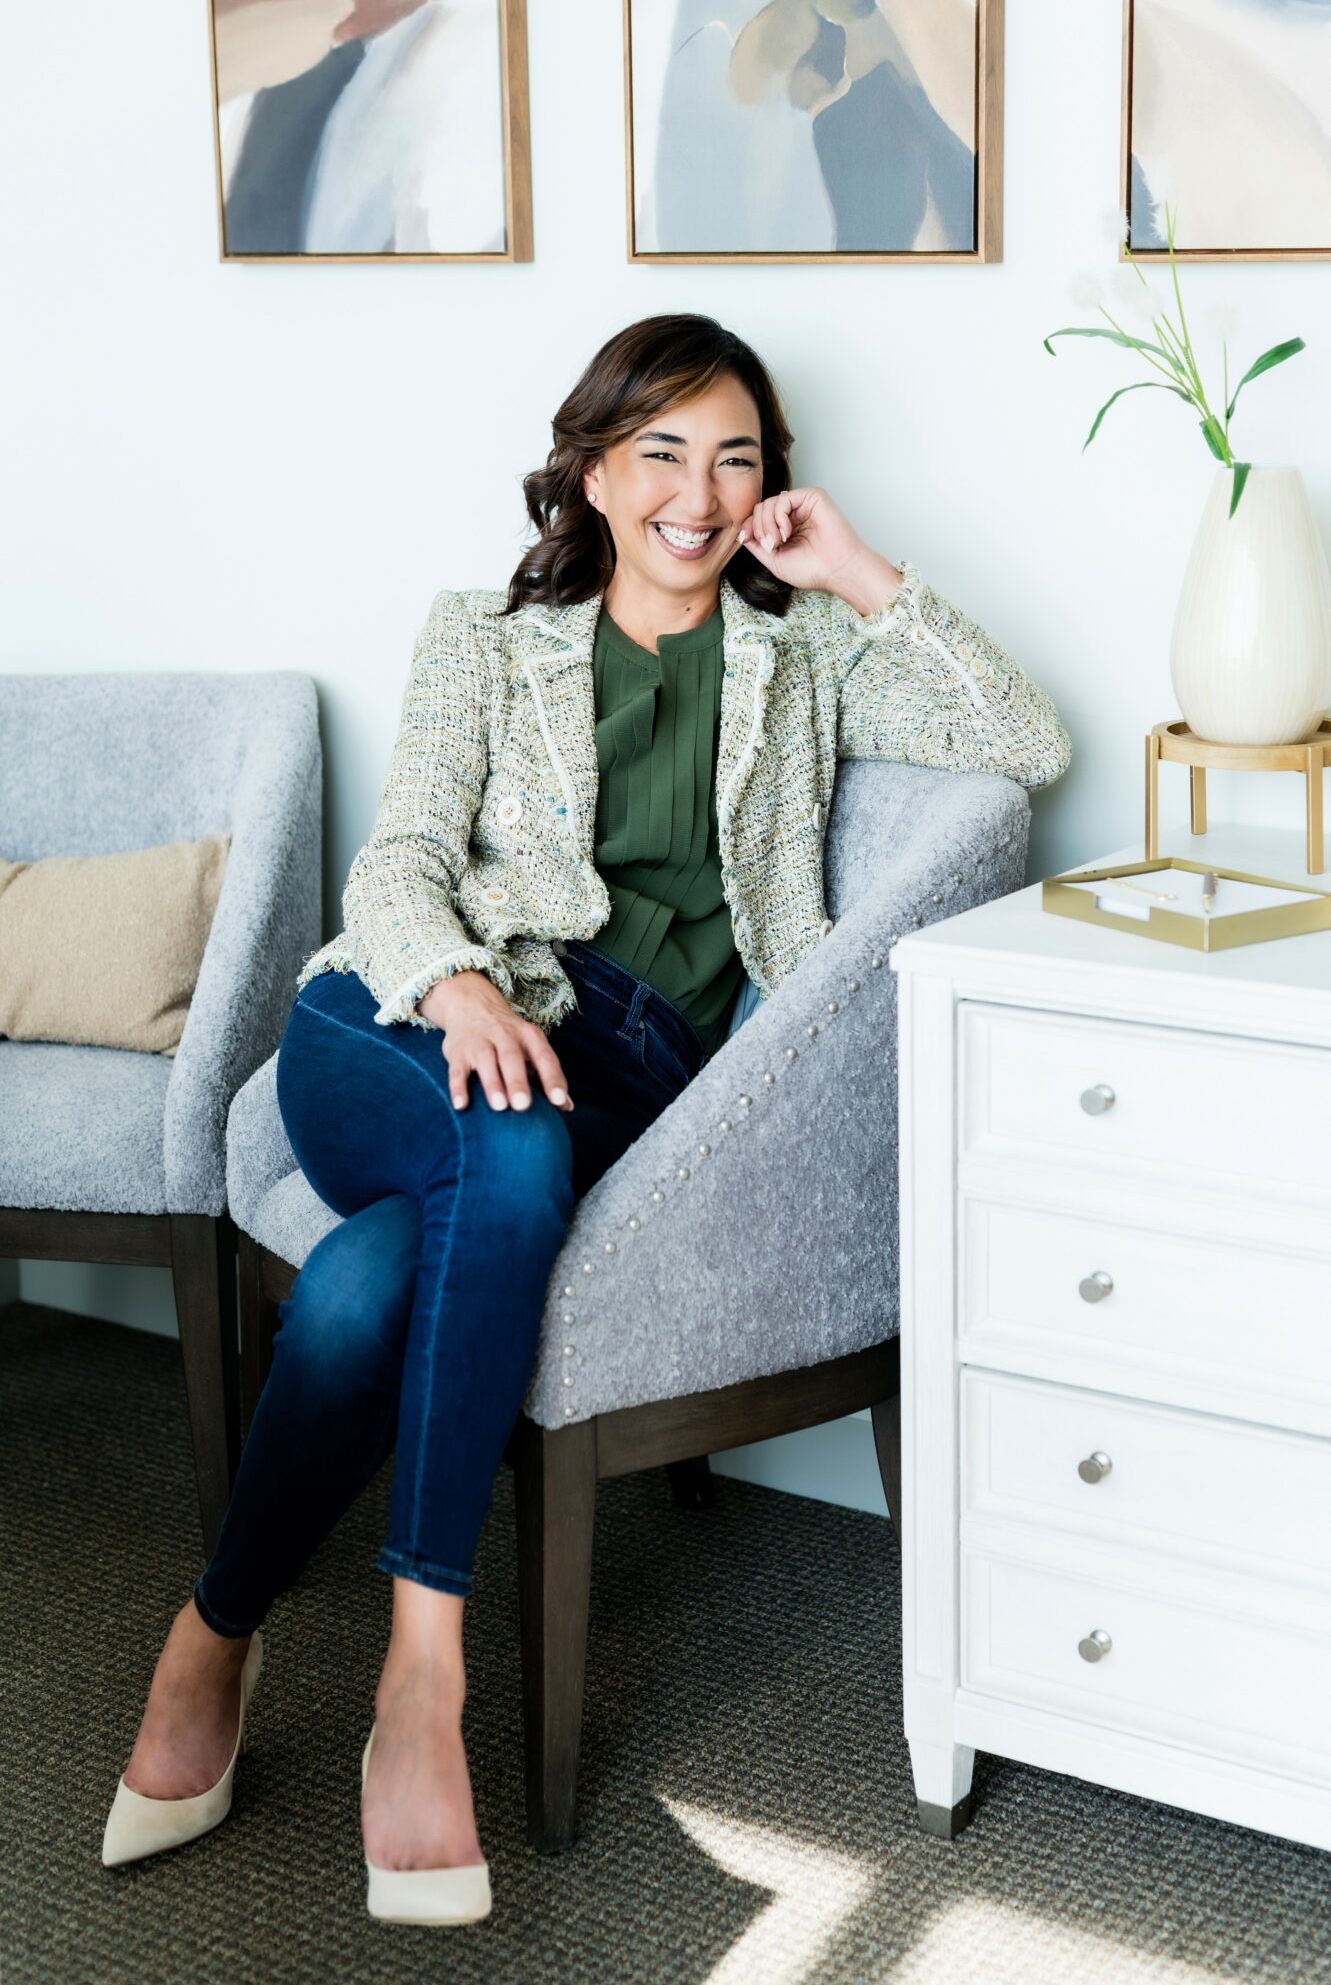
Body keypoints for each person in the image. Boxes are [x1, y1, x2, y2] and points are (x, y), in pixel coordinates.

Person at [101, 313, 1072, 1924]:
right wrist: (463, 984)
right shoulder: (485, 639)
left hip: (625, 1070)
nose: (701, 493)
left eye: (740, 457)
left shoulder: (802, 650)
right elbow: (398, 858)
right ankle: (425, 1677)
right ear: (596, 471)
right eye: (664, 453)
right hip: (397, 1022)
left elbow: (1023, 748)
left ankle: (213, 1633)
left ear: (774, 483)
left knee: (366, 1283)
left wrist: (856, 569)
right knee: (510, 1144)